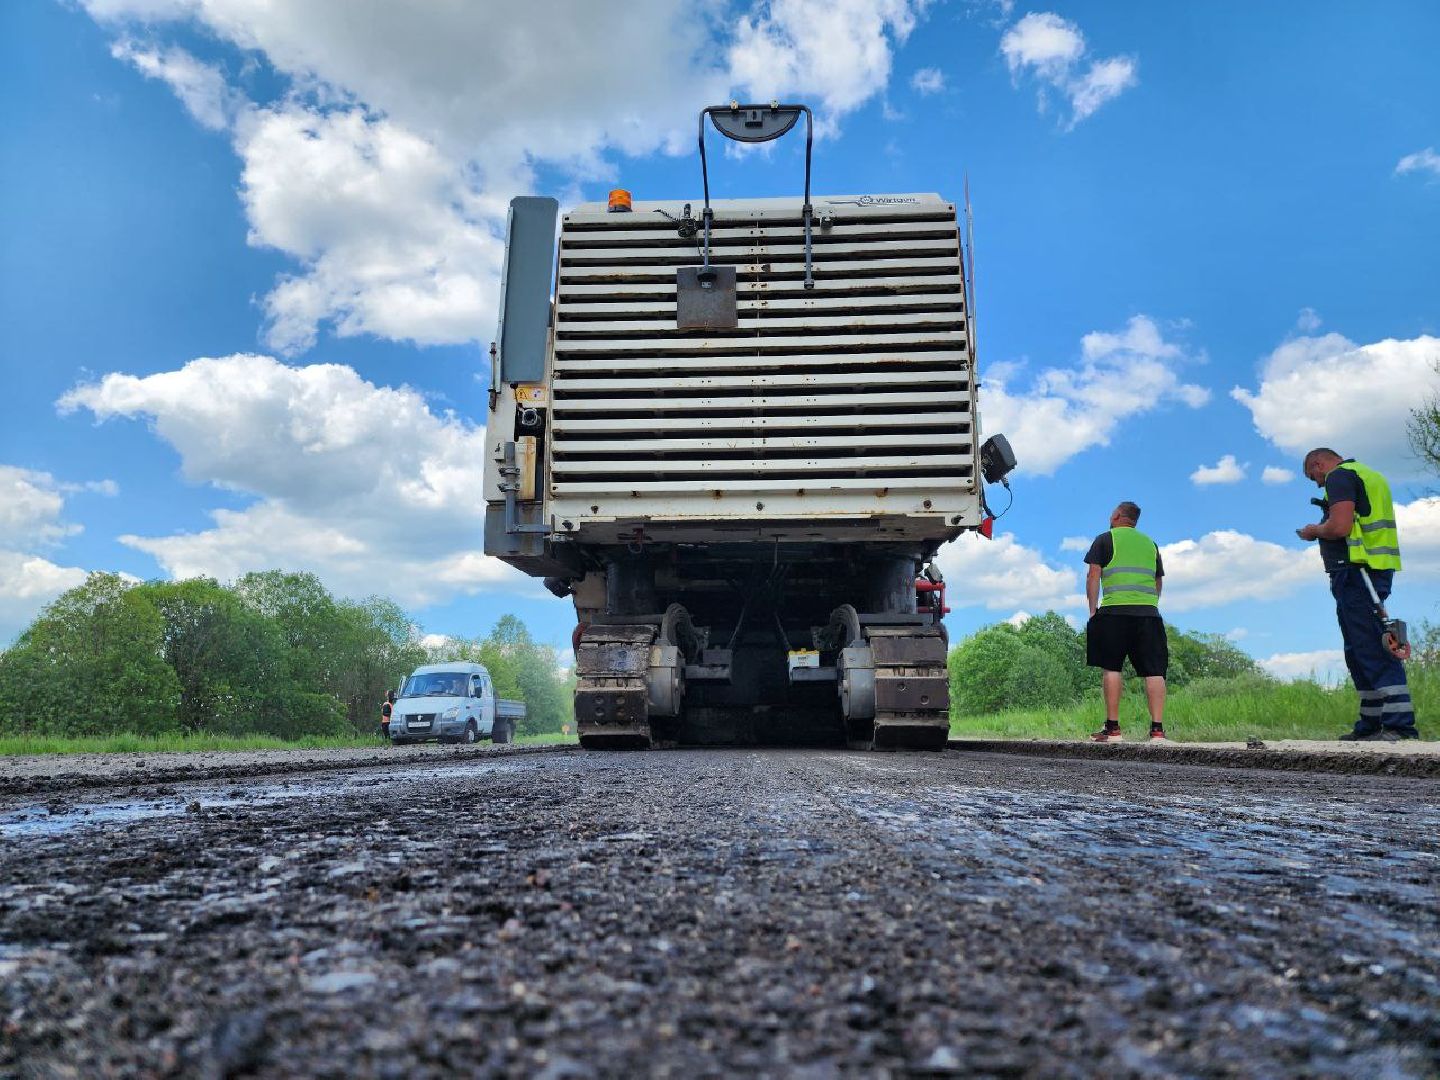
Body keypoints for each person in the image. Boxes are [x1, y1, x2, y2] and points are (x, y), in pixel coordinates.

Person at [1296, 448, 1419, 741]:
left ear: (1318, 464)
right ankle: (1371, 722)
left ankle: (1399, 725)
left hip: (1357, 570)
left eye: (1313, 476)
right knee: (1357, 646)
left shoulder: (1339, 476)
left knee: (1370, 644)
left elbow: (1340, 526)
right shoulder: (1370, 475)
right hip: (1372, 568)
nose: (1317, 484)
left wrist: (1314, 530)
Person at [1083, 501, 1168, 742]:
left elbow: (1093, 575)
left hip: (1114, 612)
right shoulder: (1150, 544)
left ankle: (1113, 729)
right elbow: (1157, 580)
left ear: (1117, 515)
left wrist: (1092, 611)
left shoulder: (1105, 539)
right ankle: (1158, 731)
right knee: (1154, 670)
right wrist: (1151, 604)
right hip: (1148, 614)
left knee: (1112, 667)